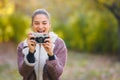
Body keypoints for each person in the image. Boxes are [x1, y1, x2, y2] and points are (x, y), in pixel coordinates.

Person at [17, 9, 67, 80]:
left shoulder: (59, 44)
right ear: (32, 25)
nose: (40, 27)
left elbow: (57, 74)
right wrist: (30, 53)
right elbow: (23, 73)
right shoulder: (22, 46)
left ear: (49, 25)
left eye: (44, 23)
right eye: (37, 23)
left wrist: (51, 55)